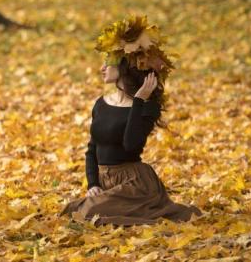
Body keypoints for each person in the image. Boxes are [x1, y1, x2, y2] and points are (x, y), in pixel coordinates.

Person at [62, 16, 201, 225]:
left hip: (135, 184)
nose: (102, 68)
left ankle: (147, 210)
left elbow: (131, 145)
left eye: (108, 63)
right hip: (105, 182)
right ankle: (105, 203)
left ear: (125, 65)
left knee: (89, 211)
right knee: (71, 210)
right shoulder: (101, 103)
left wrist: (138, 102)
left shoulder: (147, 107)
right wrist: (92, 183)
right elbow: (92, 148)